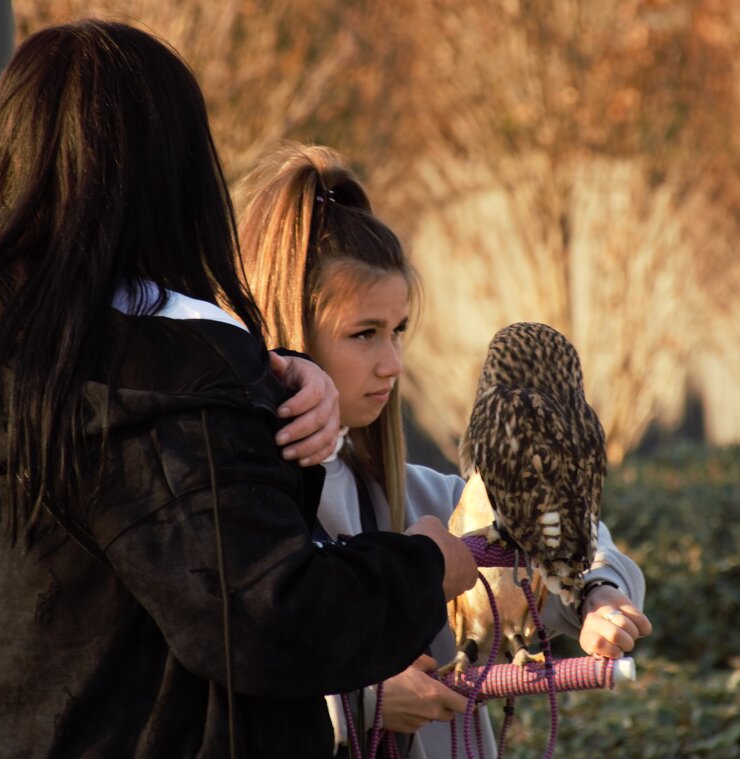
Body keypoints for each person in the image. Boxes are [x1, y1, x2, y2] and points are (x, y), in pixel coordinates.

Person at [0, 20, 477, 758]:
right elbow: (268, 617)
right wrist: (423, 567)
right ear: (172, 172)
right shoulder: (168, 379)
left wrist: (269, 373)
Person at [237, 143, 653, 758]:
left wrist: (600, 596)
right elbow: (211, 675)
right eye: (364, 334)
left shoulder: (424, 501)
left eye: (399, 330)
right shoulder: (227, 512)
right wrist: (358, 705)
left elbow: (565, 532)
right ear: (287, 334)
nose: (393, 363)